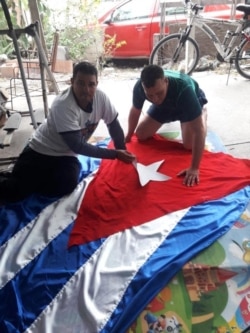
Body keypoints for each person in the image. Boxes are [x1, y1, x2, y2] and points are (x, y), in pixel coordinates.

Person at [0, 61, 135, 203]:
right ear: (72, 82)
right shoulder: (63, 105)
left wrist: (122, 150)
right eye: (80, 83)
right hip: (41, 150)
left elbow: (113, 124)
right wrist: (115, 154)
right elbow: (78, 146)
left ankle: (32, 179)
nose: (86, 89)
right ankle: (22, 178)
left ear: (97, 84)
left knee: (67, 184)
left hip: (66, 154)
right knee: (15, 191)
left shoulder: (101, 98)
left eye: (91, 84)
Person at [125, 64, 208, 187]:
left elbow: (198, 130)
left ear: (166, 81)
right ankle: (166, 103)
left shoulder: (184, 89)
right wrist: (128, 136)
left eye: (159, 93)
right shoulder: (140, 87)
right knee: (141, 134)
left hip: (186, 104)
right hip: (164, 107)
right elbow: (135, 110)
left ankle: (203, 113)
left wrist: (194, 168)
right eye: (150, 95)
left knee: (189, 145)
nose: (155, 99)